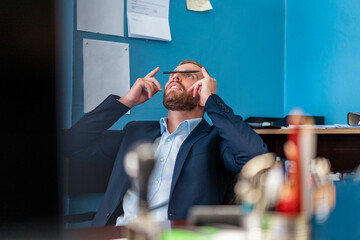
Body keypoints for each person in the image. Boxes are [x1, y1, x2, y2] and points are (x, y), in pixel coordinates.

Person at [63, 59, 268, 227]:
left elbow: (255, 157)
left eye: (189, 75)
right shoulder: (136, 132)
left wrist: (213, 100)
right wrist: (126, 102)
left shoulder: (215, 140)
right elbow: (72, 144)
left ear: (202, 89)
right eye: (173, 73)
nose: (175, 76)